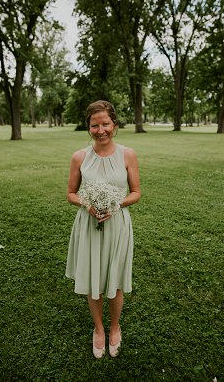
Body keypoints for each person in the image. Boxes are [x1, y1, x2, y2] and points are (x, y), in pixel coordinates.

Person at [65, 101, 142, 359]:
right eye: (94, 125)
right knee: (93, 280)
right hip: (88, 225)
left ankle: (115, 326)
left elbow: (137, 193)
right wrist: (87, 203)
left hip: (117, 225)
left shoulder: (128, 154)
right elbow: (70, 194)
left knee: (115, 281)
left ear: (115, 125)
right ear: (89, 127)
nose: (101, 130)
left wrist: (115, 203)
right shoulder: (79, 157)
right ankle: (98, 329)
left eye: (105, 124)